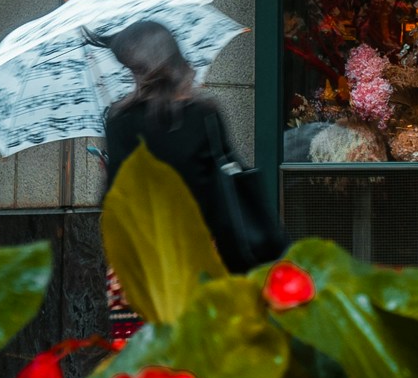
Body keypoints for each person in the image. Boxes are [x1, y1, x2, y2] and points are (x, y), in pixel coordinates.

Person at [100, 20, 284, 273]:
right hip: (202, 254)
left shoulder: (121, 120)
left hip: (145, 263)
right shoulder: (203, 113)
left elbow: (115, 202)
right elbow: (222, 181)